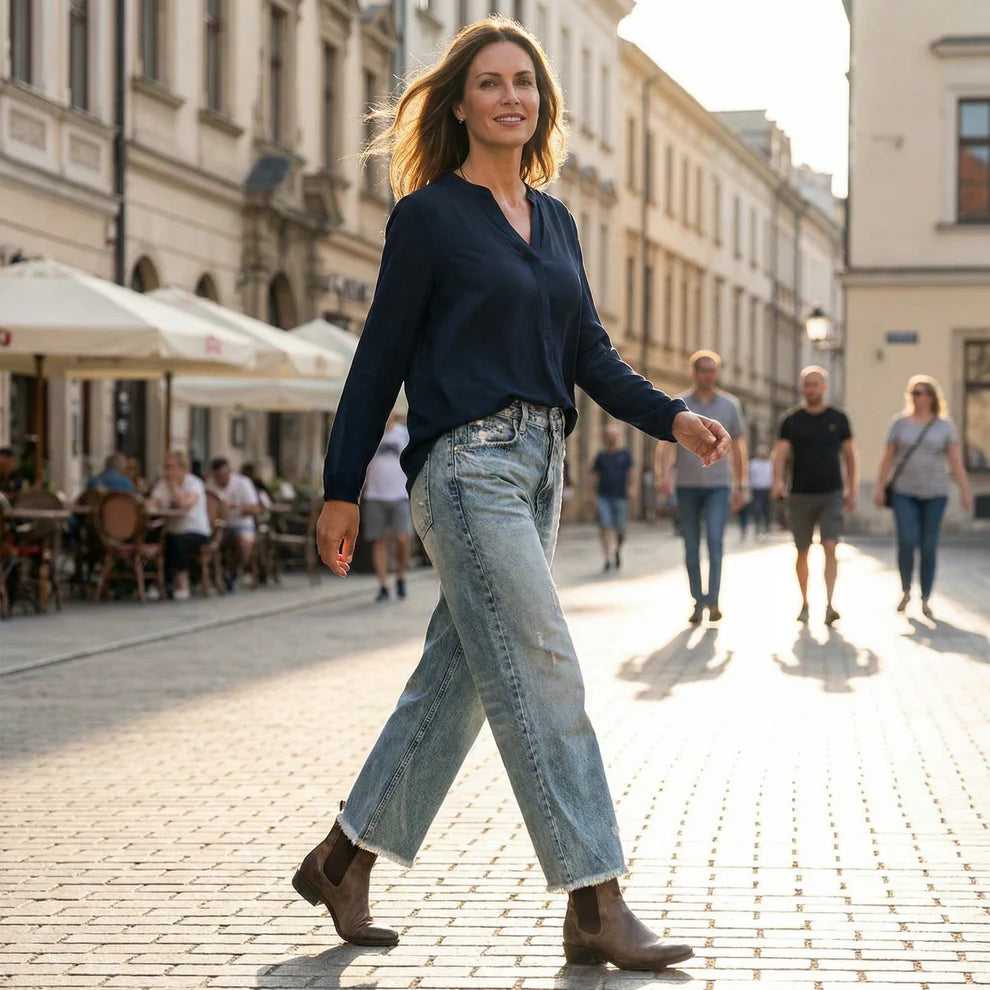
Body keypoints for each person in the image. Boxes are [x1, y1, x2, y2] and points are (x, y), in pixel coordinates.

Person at [295, 18, 731, 971]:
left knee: (455, 687)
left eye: (524, 83)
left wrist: (673, 418)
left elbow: (590, 358)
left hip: (542, 473)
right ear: (459, 105)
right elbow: (379, 359)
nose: (511, 97)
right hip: (467, 466)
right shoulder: (429, 216)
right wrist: (340, 489)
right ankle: (596, 900)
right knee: (546, 669)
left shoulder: (558, 221)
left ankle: (342, 858)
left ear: (542, 103)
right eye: (490, 83)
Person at [656, 350, 747, 624]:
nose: (708, 375)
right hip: (687, 485)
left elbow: (739, 447)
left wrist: (741, 485)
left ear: (717, 373)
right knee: (691, 545)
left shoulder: (730, 405)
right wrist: (664, 477)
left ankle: (714, 600)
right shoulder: (680, 403)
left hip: (719, 485)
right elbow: (664, 445)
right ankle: (697, 601)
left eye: (712, 370)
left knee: (715, 542)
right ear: (693, 373)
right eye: (703, 370)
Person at [872, 375, 971, 618]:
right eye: (914, 392)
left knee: (928, 546)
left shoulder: (944, 426)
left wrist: (965, 490)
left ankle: (925, 597)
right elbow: (887, 458)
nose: (918, 397)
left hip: (935, 493)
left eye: (922, 392)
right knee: (906, 540)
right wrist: (879, 486)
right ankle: (906, 589)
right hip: (904, 492)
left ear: (932, 397)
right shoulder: (900, 424)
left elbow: (955, 461)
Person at [772, 366, 858, 625]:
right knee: (802, 550)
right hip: (799, 494)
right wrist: (776, 482)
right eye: (807, 384)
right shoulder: (791, 420)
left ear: (825, 387)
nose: (811, 388)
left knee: (830, 545)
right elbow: (780, 454)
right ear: (802, 388)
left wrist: (851, 488)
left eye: (816, 384)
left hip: (832, 492)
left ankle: (830, 604)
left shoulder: (839, 418)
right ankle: (805, 603)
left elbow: (850, 455)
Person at [361, 412, 413, 602]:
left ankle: (400, 575)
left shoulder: (405, 434)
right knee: (379, 540)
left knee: (402, 538)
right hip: (375, 495)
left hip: (400, 495)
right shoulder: (369, 433)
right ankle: (383, 584)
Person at [148, 450, 211, 600]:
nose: (168, 471)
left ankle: (182, 583)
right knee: (153, 538)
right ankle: (159, 583)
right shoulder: (162, 484)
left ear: (182, 468)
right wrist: (150, 506)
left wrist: (174, 488)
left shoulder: (194, 483)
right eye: (166, 467)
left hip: (195, 529)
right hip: (171, 529)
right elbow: (152, 502)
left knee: (178, 542)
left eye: (172, 467)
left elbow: (185, 504)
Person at [209, 457, 260, 590]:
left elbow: (255, 508)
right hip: (218, 527)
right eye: (217, 476)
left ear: (229, 472)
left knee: (245, 543)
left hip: (241, 523)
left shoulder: (243, 483)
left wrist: (235, 507)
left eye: (223, 475)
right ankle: (214, 575)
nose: (220, 479)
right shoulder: (210, 486)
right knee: (209, 543)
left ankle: (234, 571)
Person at [590, 423, 633, 572]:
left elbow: (631, 472)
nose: (611, 438)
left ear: (618, 436)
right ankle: (607, 558)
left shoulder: (625, 454)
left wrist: (631, 488)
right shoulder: (601, 456)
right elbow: (594, 476)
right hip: (604, 495)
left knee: (621, 530)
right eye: (609, 435)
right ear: (605, 437)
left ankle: (617, 551)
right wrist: (592, 496)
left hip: (620, 495)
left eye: (614, 435)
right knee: (605, 526)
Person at [747, 444, 773, 538]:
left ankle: (767, 527)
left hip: (767, 488)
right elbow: (749, 476)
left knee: (766, 509)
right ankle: (758, 527)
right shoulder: (753, 463)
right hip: (757, 489)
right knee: (757, 508)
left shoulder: (770, 463)